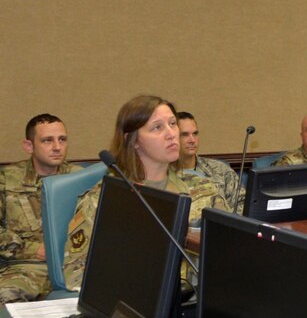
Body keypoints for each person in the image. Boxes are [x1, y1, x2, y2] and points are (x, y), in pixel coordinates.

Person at [63, 96, 230, 291]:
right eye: (157, 127)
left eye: (172, 124)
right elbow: (76, 276)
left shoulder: (204, 189)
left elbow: (231, 252)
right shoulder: (104, 199)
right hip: (136, 305)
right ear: (132, 140)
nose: (171, 134)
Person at [0, 114, 82, 303]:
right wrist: (33, 249)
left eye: (62, 140)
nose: (57, 147)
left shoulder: (80, 178)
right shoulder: (7, 180)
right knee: (7, 295)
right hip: (25, 267)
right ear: (29, 146)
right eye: (47, 141)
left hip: (72, 265)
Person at [175, 111, 244, 212]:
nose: (192, 140)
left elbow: (242, 204)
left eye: (195, 134)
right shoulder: (164, 175)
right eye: (184, 135)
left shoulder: (221, 170)